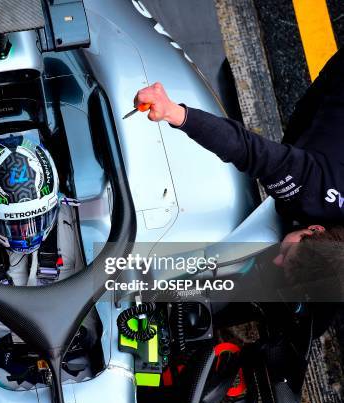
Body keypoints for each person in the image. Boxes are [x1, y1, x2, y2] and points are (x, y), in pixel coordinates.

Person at [133, 49, 344, 293]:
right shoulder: (310, 189)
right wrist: (173, 111)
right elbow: (247, 149)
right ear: (315, 229)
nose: (277, 258)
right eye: (286, 252)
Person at [0, 133, 98, 389]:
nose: (27, 234)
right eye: (15, 224)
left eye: (35, 220)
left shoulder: (75, 221)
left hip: (74, 361)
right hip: (3, 371)